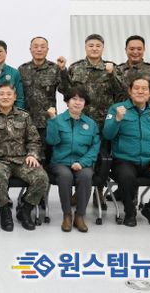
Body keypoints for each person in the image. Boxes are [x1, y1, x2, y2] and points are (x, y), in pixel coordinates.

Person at [103, 77, 150, 227]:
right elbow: (107, 135)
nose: (140, 91)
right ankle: (130, 212)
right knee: (126, 177)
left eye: (144, 89)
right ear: (130, 91)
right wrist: (117, 119)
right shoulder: (117, 109)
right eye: (136, 88)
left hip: (149, 162)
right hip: (124, 160)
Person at [61, 34, 124, 209]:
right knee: (78, 155)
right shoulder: (76, 68)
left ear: (103, 47)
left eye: (98, 45)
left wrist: (111, 74)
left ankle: (99, 193)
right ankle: (78, 192)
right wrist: (63, 72)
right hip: (79, 122)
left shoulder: (111, 67)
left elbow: (121, 91)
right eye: (91, 45)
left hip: (104, 123)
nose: (94, 48)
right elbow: (65, 91)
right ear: (85, 47)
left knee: (101, 159)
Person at [0, 82, 48, 232]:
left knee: (41, 177)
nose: (5, 97)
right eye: (1, 94)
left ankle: (25, 210)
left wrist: (33, 155)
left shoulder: (24, 116)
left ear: (15, 97)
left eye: (9, 94)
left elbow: (34, 140)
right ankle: (5, 212)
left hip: (21, 160)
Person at [45, 86, 100, 232]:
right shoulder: (57, 120)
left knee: (86, 175)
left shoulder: (91, 124)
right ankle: (67, 215)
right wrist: (52, 120)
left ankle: (80, 215)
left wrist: (82, 163)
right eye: (74, 99)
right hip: (60, 162)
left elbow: (95, 148)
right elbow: (51, 141)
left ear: (85, 103)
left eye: (81, 99)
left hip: (83, 162)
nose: (77, 102)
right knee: (65, 176)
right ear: (67, 102)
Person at [18, 36, 66, 146]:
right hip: (27, 121)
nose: (39, 49)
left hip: (48, 121)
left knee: (49, 152)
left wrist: (63, 70)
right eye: (35, 46)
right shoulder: (22, 69)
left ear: (47, 50)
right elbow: (17, 94)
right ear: (30, 49)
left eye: (42, 47)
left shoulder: (55, 68)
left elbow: (65, 90)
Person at [116, 35, 150, 99]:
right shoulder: (117, 70)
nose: (135, 52)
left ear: (144, 50)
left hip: (142, 105)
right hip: (119, 105)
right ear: (126, 50)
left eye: (139, 49)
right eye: (132, 49)